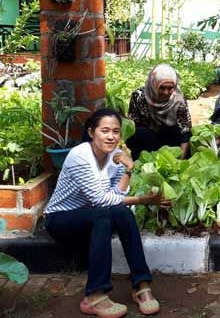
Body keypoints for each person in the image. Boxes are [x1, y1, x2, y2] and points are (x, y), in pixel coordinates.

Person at [45, 108, 162, 317]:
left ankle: (141, 285)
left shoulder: (114, 156)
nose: (111, 136)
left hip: (92, 215)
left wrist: (128, 169)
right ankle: (94, 296)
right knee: (104, 212)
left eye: (116, 131)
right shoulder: (79, 156)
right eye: (105, 130)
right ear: (92, 132)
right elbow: (100, 200)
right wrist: (143, 200)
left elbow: (117, 194)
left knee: (122, 213)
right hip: (61, 218)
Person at [126, 64, 192, 160]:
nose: (166, 92)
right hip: (148, 141)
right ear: (154, 84)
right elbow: (132, 124)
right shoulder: (139, 96)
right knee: (138, 132)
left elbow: (185, 132)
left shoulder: (178, 100)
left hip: (170, 142)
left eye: (170, 88)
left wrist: (179, 162)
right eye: (162, 87)